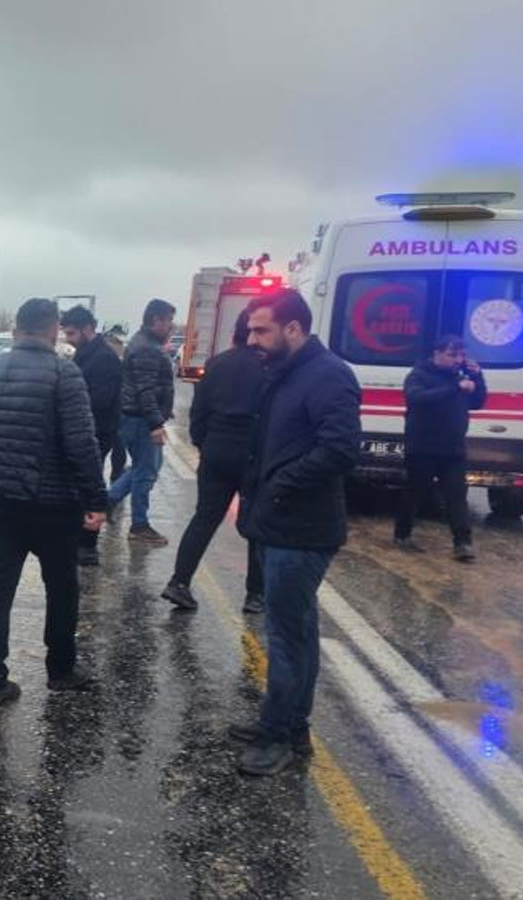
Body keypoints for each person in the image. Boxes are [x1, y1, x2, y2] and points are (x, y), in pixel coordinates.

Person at [0, 298, 108, 704]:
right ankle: (61, 670)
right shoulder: (64, 373)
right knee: (61, 587)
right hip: (54, 504)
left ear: (16, 329)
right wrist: (96, 500)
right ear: (53, 330)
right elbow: (82, 443)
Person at [233, 289, 360, 776]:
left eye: (261, 330)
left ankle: (277, 737)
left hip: (301, 529)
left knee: (287, 638)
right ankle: (291, 725)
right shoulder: (287, 370)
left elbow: (340, 449)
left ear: (293, 328)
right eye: (250, 330)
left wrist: (282, 484)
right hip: (278, 521)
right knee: (297, 631)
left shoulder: (328, 375)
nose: (252, 339)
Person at [162, 309, 267, 613]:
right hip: (253, 453)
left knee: (204, 518)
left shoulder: (217, 363)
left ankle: (179, 582)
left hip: (217, 450)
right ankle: (255, 594)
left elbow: (199, 412)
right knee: (256, 524)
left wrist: (204, 444)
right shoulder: (269, 366)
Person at [395, 335, 485, 561]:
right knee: (415, 493)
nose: (458, 360)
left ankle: (463, 543)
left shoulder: (461, 376)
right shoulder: (419, 375)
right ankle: (402, 534)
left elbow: (477, 402)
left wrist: (477, 377)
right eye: (452, 354)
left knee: (456, 496)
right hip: (423, 447)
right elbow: (418, 397)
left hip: (453, 449)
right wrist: (455, 388)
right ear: (436, 354)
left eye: (461, 355)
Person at [108, 299, 177, 546]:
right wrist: (155, 422)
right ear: (156, 320)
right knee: (146, 471)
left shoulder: (145, 343)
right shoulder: (147, 348)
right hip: (140, 420)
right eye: (168, 321)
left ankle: (108, 500)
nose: (171, 326)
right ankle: (139, 525)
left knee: (143, 467)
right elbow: (145, 390)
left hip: (137, 417)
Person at [60, 305, 122, 566]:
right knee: (79, 485)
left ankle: (87, 545)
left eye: (72, 333)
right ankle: (79, 539)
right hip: (85, 431)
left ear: (87, 329)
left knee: (88, 485)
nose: (69, 339)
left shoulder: (103, 358)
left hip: (96, 432)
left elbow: (99, 401)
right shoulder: (85, 354)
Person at [105, 332, 130, 482]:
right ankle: (116, 478)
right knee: (118, 448)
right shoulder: (118, 361)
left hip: (116, 410)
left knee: (118, 448)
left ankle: (115, 478)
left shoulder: (116, 361)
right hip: (116, 410)